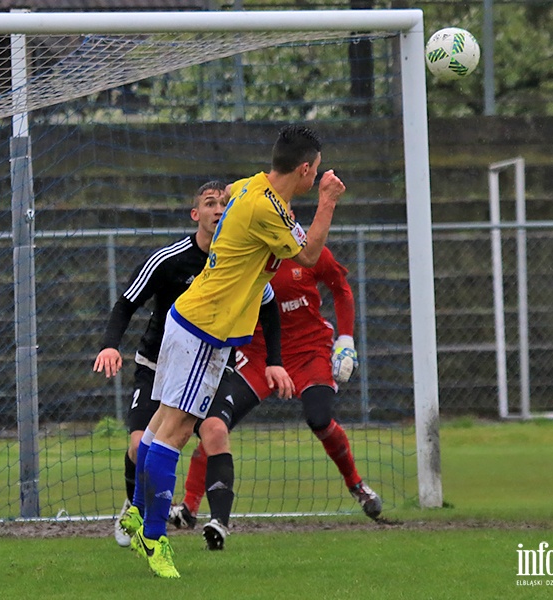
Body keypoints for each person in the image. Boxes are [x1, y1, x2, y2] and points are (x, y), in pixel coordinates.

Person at [119, 124, 345, 579]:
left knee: (160, 426)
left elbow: (278, 243)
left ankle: (137, 514)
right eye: (315, 171)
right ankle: (155, 539)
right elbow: (307, 254)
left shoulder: (249, 187)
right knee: (175, 434)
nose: (316, 176)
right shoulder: (264, 206)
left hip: (192, 318)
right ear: (305, 170)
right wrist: (327, 202)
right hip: (207, 329)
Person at [91, 180, 291, 549]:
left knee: (214, 432)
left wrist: (274, 362)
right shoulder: (169, 260)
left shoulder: (240, 260)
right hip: (158, 367)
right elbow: (126, 303)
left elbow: (269, 308)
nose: (218, 209)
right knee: (140, 446)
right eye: (210, 203)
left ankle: (217, 525)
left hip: (212, 367)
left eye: (224, 204)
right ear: (195, 214)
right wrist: (109, 346)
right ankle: (138, 508)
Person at [168, 245, 383, 547]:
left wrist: (345, 339)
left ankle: (356, 485)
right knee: (214, 424)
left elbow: (342, 289)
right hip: (259, 355)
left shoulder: (310, 251)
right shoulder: (245, 252)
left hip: (308, 351)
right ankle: (189, 508)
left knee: (319, 420)